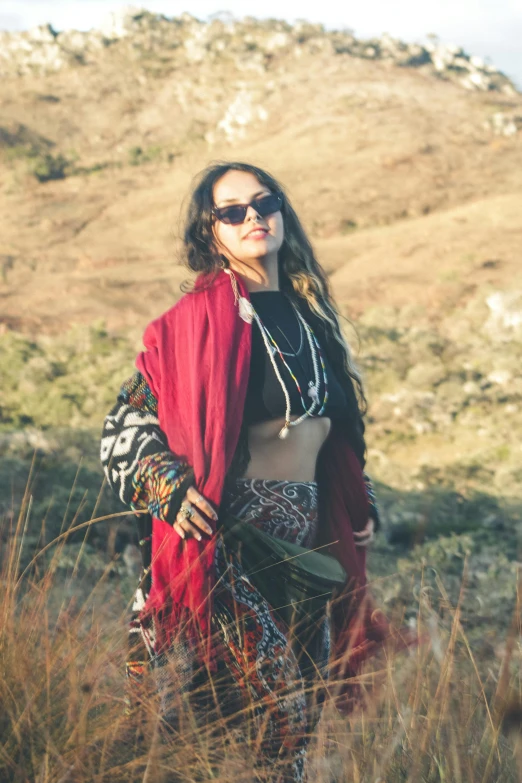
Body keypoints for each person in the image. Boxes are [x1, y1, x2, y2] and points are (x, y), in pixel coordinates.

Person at [100, 161, 393, 782]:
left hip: (307, 539)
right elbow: (124, 423)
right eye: (232, 211)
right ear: (211, 234)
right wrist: (167, 488)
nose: (253, 217)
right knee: (274, 711)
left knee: (296, 715)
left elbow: (337, 434)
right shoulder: (191, 327)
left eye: (265, 203)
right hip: (231, 538)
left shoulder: (312, 320)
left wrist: (356, 502)